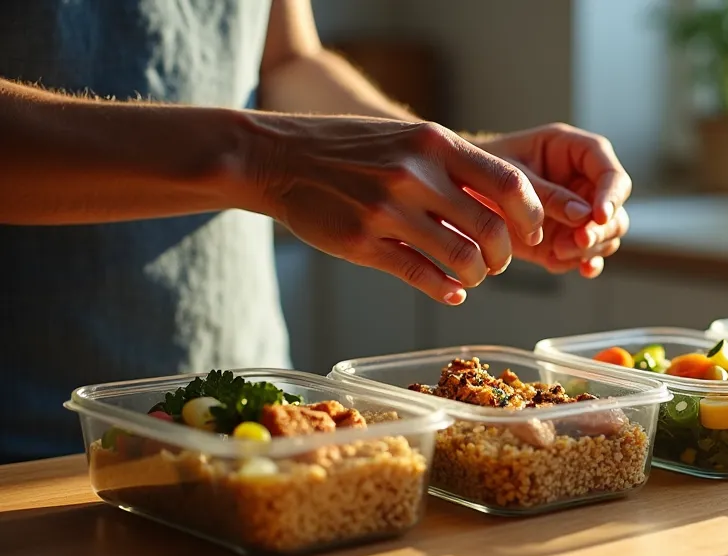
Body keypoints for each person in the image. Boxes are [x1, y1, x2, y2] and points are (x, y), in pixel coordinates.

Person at [0, 0, 633, 464]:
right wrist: (266, 159)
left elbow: (286, 57)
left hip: (250, 400)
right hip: (27, 433)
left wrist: (460, 168)